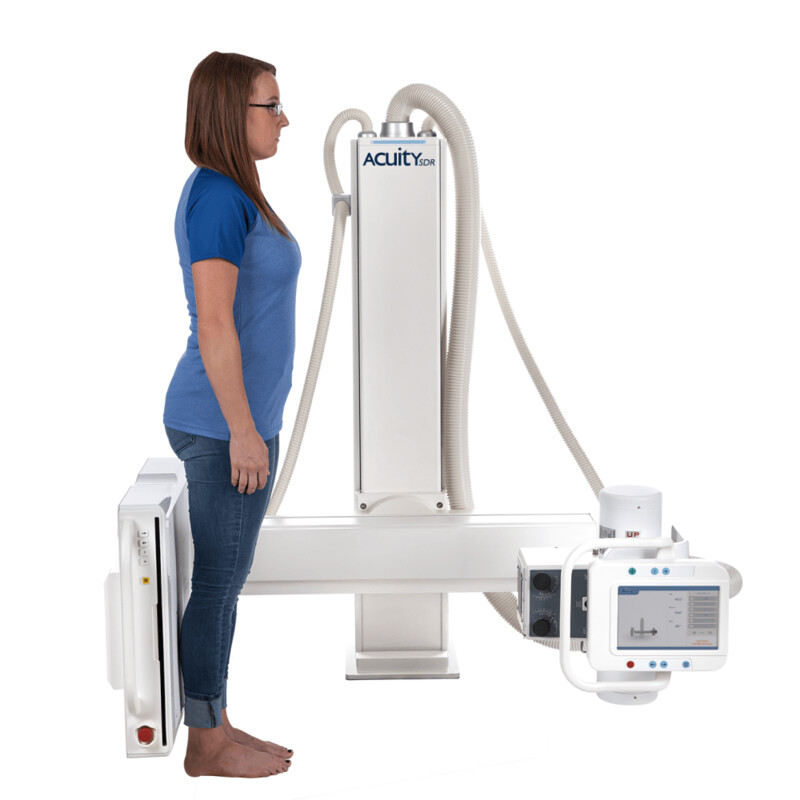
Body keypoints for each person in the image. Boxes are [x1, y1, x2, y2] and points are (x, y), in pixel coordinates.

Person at [163, 51, 301, 779]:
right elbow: (214, 325)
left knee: (226, 580)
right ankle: (205, 745)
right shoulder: (218, 196)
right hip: (221, 425)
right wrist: (244, 432)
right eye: (270, 105)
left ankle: (214, 719)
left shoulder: (237, 191)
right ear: (229, 112)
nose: (283, 119)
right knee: (217, 583)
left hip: (238, 422)